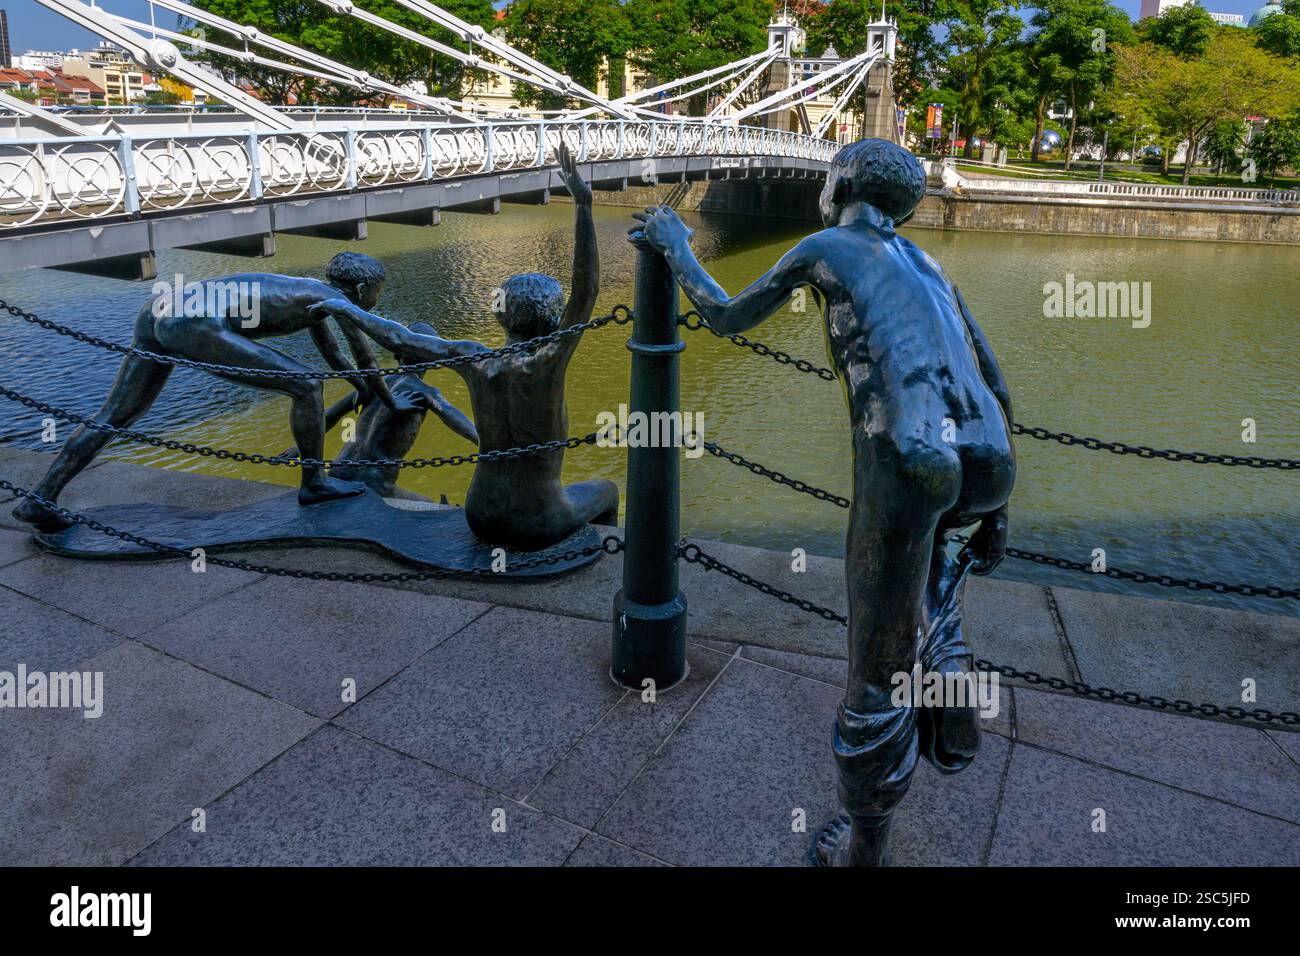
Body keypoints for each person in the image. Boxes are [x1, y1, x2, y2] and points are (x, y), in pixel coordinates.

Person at [632, 138, 1016, 867]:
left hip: (909, 455)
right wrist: (997, 508)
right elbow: (991, 372)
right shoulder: (928, 264)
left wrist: (676, 245)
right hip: (989, 454)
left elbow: (724, 314)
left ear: (838, 184)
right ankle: (951, 672)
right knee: (930, 569)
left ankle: (863, 847)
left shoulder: (827, 244)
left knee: (874, 662)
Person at [310, 145, 618, 551]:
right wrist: (583, 203)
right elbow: (587, 289)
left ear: (501, 316)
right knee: (608, 489)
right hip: (537, 520)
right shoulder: (548, 360)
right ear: (553, 317)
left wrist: (345, 308)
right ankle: (606, 553)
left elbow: (400, 338)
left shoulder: (474, 357)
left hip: (480, 515)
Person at [12, 252, 414, 532]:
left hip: (161, 309)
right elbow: (364, 356)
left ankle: (41, 498)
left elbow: (336, 356)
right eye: (377, 291)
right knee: (306, 385)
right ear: (362, 289)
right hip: (196, 320)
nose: (376, 298)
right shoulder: (334, 300)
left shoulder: (311, 291)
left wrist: (364, 391)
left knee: (116, 414)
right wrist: (390, 400)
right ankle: (314, 484)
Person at [318, 322, 480, 498]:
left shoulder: (375, 383)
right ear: (433, 358)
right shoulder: (424, 392)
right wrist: (488, 443)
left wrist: (299, 449)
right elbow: (453, 416)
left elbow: (330, 414)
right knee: (431, 506)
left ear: (397, 353)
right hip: (374, 482)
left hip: (338, 471)